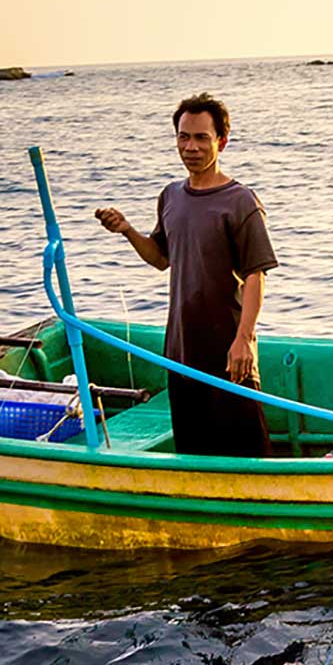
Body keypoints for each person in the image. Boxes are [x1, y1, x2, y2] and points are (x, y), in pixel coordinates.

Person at [94, 92, 275, 457]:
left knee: (249, 452)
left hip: (229, 353)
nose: (190, 146)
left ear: (221, 141)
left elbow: (256, 276)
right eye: (183, 136)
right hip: (180, 351)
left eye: (201, 137)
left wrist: (244, 340)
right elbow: (161, 258)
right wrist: (128, 230)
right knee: (194, 452)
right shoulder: (171, 196)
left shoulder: (241, 202)